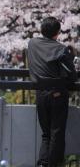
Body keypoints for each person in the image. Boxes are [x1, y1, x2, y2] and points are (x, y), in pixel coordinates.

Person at [28, 17, 77, 167]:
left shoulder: (32, 43)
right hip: (57, 94)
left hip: (40, 93)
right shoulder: (60, 49)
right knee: (57, 132)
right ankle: (53, 163)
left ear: (42, 29)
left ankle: (43, 163)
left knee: (46, 134)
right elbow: (72, 75)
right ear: (57, 32)